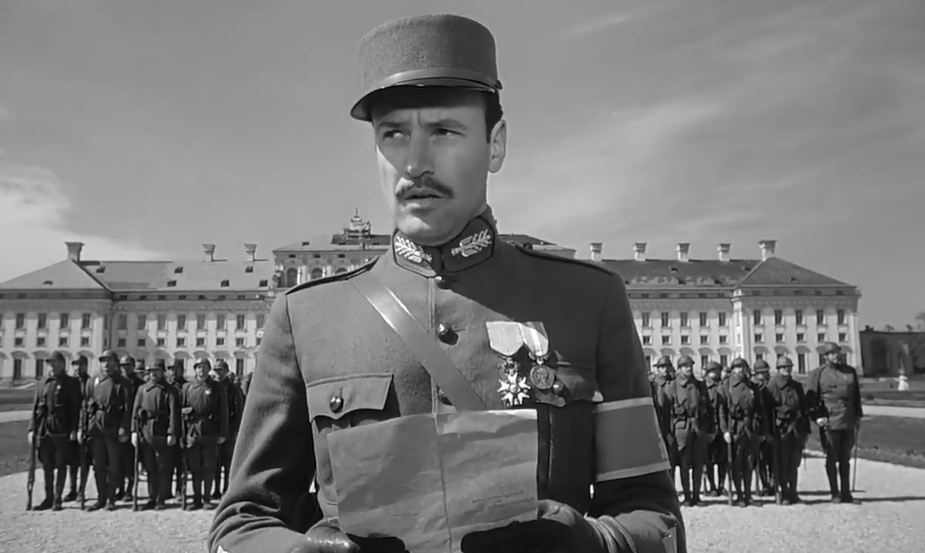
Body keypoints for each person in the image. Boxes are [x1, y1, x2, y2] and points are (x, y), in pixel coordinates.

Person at [209, 13, 684, 553]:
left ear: (495, 145)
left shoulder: (588, 302)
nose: (415, 163)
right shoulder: (307, 318)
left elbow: (656, 519)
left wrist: (591, 543)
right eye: (393, 134)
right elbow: (243, 522)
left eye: (443, 131)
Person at [806, 342, 863, 503]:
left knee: (845, 458)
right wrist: (817, 417)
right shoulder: (818, 373)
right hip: (829, 420)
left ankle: (846, 493)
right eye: (831, 353)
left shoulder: (850, 371)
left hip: (848, 418)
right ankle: (834, 493)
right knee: (832, 457)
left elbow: (856, 396)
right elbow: (811, 399)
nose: (836, 356)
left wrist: (858, 415)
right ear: (825, 357)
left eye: (837, 352)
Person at [27, 351, 82, 511]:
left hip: (61, 428)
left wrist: (74, 428)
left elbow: (75, 408)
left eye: (55, 362)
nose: (52, 365)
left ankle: (58, 498)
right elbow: (35, 408)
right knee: (47, 465)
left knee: (61, 464)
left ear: (63, 364)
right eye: (50, 363)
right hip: (44, 429)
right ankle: (48, 498)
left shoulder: (71, 383)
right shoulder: (42, 383)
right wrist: (31, 428)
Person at [80, 350, 133, 511]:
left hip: (113, 427)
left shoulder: (122, 383)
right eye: (103, 361)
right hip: (96, 428)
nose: (106, 364)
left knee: (114, 465)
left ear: (116, 363)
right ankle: (101, 498)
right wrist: (83, 427)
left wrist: (124, 428)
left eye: (109, 361)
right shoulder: (93, 381)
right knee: (98, 465)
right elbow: (85, 405)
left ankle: (111, 498)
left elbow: (128, 409)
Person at [662, 355, 713, 506]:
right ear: (679, 369)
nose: (688, 368)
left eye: (690, 365)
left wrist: (710, 430)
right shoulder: (672, 387)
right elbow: (665, 413)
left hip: (698, 429)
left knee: (698, 464)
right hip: (681, 430)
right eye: (685, 366)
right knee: (684, 464)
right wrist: (667, 433)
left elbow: (709, 409)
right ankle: (687, 497)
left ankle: (696, 496)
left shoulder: (700, 386)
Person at [132, 360, 180, 510]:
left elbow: (174, 413)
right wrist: (134, 431)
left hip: (162, 431)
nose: (154, 374)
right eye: (152, 371)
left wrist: (172, 432)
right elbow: (135, 412)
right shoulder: (142, 389)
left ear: (162, 372)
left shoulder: (170, 390)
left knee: (163, 467)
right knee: (150, 467)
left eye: (157, 371)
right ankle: (152, 497)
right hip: (146, 431)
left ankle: (161, 498)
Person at [181, 356, 228, 511]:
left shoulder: (216, 387)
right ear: (195, 370)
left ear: (209, 369)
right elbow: (181, 410)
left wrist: (223, 432)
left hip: (210, 429)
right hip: (192, 430)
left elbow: (223, 410)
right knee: (195, 467)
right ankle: (196, 498)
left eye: (204, 367)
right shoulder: (187, 387)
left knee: (209, 466)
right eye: (199, 367)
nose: (201, 370)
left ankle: (207, 498)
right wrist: (182, 433)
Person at [720, 357, 766, 507]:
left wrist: (761, 428)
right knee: (737, 463)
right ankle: (739, 495)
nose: (740, 370)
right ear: (732, 370)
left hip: (750, 428)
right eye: (737, 368)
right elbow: (721, 411)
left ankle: (748, 494)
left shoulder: (752, 386)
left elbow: (760, 408)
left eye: (742, 367)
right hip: (735, 428)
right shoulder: (726, 386)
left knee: (750, 462)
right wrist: (725, 430)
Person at [766, 356, 809, 505]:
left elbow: (803, 408)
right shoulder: (772, 385)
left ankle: (793, 492)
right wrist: (769, 432)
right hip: (781, 430)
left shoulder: (796, 386)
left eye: (789, 367)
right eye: (784, 367)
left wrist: (805, 430)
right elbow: (767, 411)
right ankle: (784, 493)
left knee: (794, 462)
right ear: (778, 369)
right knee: (782, 463)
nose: (787, 370)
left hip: (796, 428)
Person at [211, 359, 244, 501]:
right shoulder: (213, 386)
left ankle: (227, 488)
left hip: (230, 429)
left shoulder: (233, 388)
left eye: (220, 370)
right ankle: (216, 489)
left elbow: (239, 410)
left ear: (226, 371)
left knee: (228, 462)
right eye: (216, 371)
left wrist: (236, 430)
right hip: (215, 429)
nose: (218, 373)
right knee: (216, 462)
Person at [65, 355, 92, 503]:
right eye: (74, 364)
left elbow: (87, 407)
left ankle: (82, 490)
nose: (77, 368)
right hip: (70, 426)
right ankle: (73, 489)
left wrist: (82, 427)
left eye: (80, 364)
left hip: (84, 426)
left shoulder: (90, 382)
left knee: (84, 461)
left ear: (86, 366)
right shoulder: (69, 382)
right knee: (72, 461)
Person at [702, 361, 728, 497]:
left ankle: (722, 485)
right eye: (712, 371)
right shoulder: (703, 387)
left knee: (723, 460)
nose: (715, 373)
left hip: (723, 428)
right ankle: (712, 486)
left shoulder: (723, 386)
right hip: (709, 428)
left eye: (717, 370)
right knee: (709, 460)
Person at [652, 355, 679, 485]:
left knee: (672, 461)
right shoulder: (654, 385)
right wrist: (665, 432)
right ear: (658, 369)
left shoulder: (674, 383)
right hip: (660, 428)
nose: (665, 370)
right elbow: (658, 411)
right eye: (662, 367)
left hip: (675, 426)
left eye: (667, 366)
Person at [750, 359, 775, 497]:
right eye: (760, 373)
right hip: (758, 427)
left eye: (765, 372)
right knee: (759, 459)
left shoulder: (773, 385)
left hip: (773, 425)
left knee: (773, 458)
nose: (763, 375)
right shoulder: (753, 387)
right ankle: (764, 484)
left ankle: (772, 483)